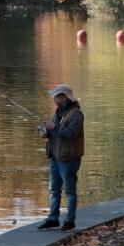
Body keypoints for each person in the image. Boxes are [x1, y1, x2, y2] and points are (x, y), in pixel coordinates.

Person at [36, 84, 84, 231]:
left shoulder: (76, 114)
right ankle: (53, 219)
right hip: (56, 157)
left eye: (56, 96)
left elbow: (70, 135)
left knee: (69, 190)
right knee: (54, 190)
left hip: (69, 158)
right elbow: (55, 133)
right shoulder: (57, 113)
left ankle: (70, 221)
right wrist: (46, 132)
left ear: (64, 98)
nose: (54, 98)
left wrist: (54, 128)